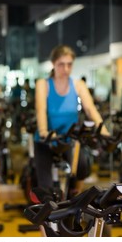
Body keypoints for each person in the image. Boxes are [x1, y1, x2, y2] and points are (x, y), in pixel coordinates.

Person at [34, 44, 108, 197]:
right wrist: (43, 131)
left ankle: (74, 196)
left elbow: (90, 109)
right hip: (47, 138)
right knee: (45, 185)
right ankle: (47, 215)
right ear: (54, 64)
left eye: (69, 64)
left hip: (70, 137)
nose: (66, 69)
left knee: (82, 166)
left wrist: (104, 130)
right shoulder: (43, 84)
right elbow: (40, 109)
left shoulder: (78, 84)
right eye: (61, 64)